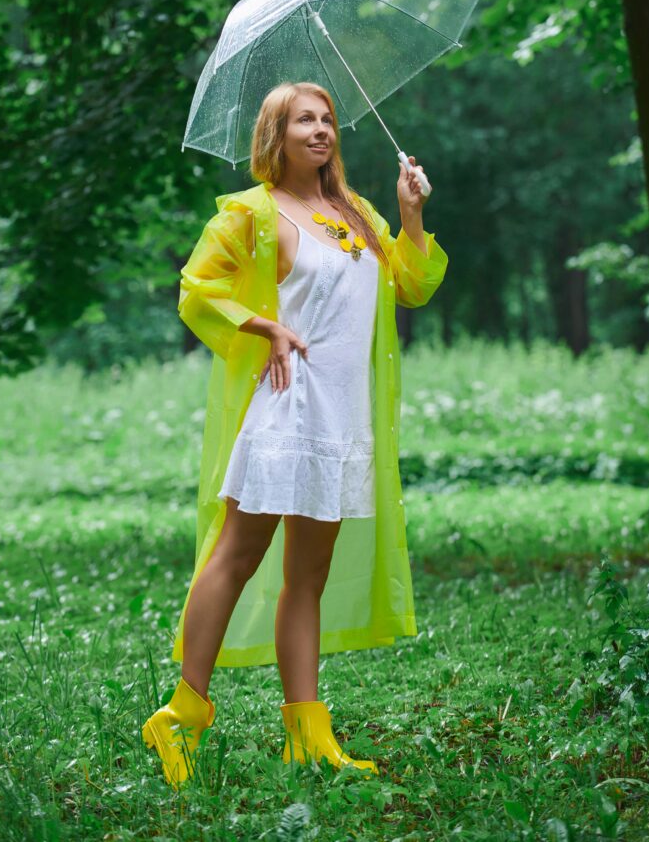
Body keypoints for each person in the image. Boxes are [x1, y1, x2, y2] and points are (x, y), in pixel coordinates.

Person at [142, 81, 448, 787]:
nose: (320, 130)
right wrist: (263, 324)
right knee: (237, 554)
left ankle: (307, 732)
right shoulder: (250, 214)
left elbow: (411, 283)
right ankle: (181, 717)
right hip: (285, 407)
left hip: (342, 416)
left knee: (306, 576)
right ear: (274, 136)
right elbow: (197, 288)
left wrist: (410, 215)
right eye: (303, 120)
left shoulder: (355, 212)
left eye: (328, 119)